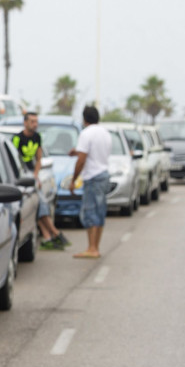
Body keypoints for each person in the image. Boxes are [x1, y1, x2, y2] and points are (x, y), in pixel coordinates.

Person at [12, 112, 70, 251]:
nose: (35, 124)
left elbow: (38, 158)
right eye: (32, 121)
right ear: (25, 122)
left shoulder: (37, 137)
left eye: (36, 121)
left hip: (32, 176)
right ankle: (54, 233)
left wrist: (35, 174)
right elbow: (13, 160)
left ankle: (48, 237)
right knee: (39, 203)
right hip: (20, 177)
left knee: (37, 205)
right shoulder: (17, 138)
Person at [68, 106, 112, 259]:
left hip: (92, 177)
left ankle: (92, 248)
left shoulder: (86, 133)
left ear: (84, 118)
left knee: (89, 212)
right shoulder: (105, 133)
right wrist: (77, 152)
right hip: (104, 174)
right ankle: (96, 247)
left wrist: (73, 180)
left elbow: (82, 160)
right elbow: (95, 153)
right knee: (100, 211)